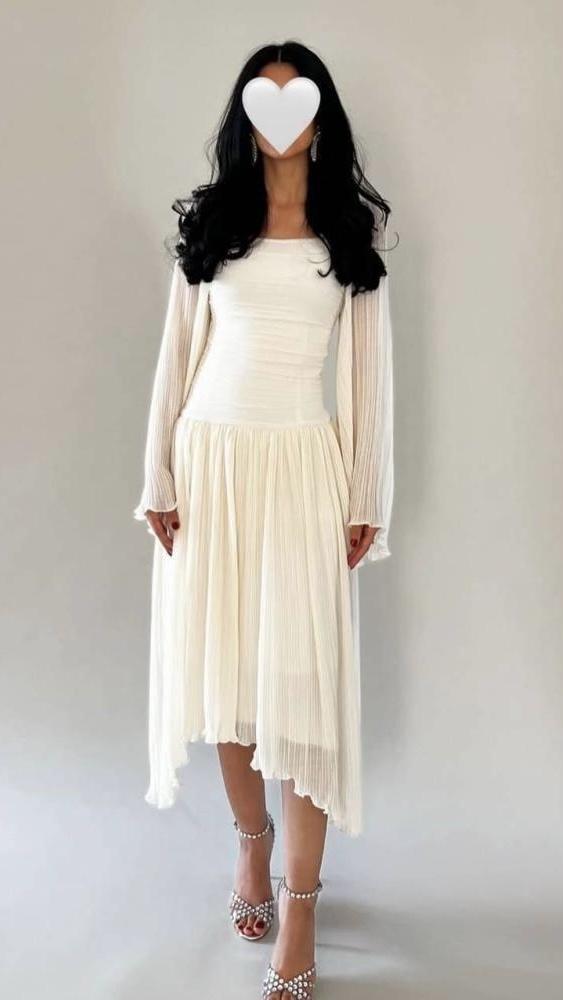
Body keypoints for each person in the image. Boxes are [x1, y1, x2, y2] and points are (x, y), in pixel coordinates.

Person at [133, 40, 395, 1000]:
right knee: (226, 675)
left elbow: (369, 375)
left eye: (298, 99)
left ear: (321, 119)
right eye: (265, 98)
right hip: (211, 463)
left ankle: (300, 904)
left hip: (301, 467)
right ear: (245, 118)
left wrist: (366, 496)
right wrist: (158, 476)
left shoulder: (350, 233)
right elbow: (176, 354)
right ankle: (251, 844)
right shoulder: (213, 223)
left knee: (301, 690)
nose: (281, 117)